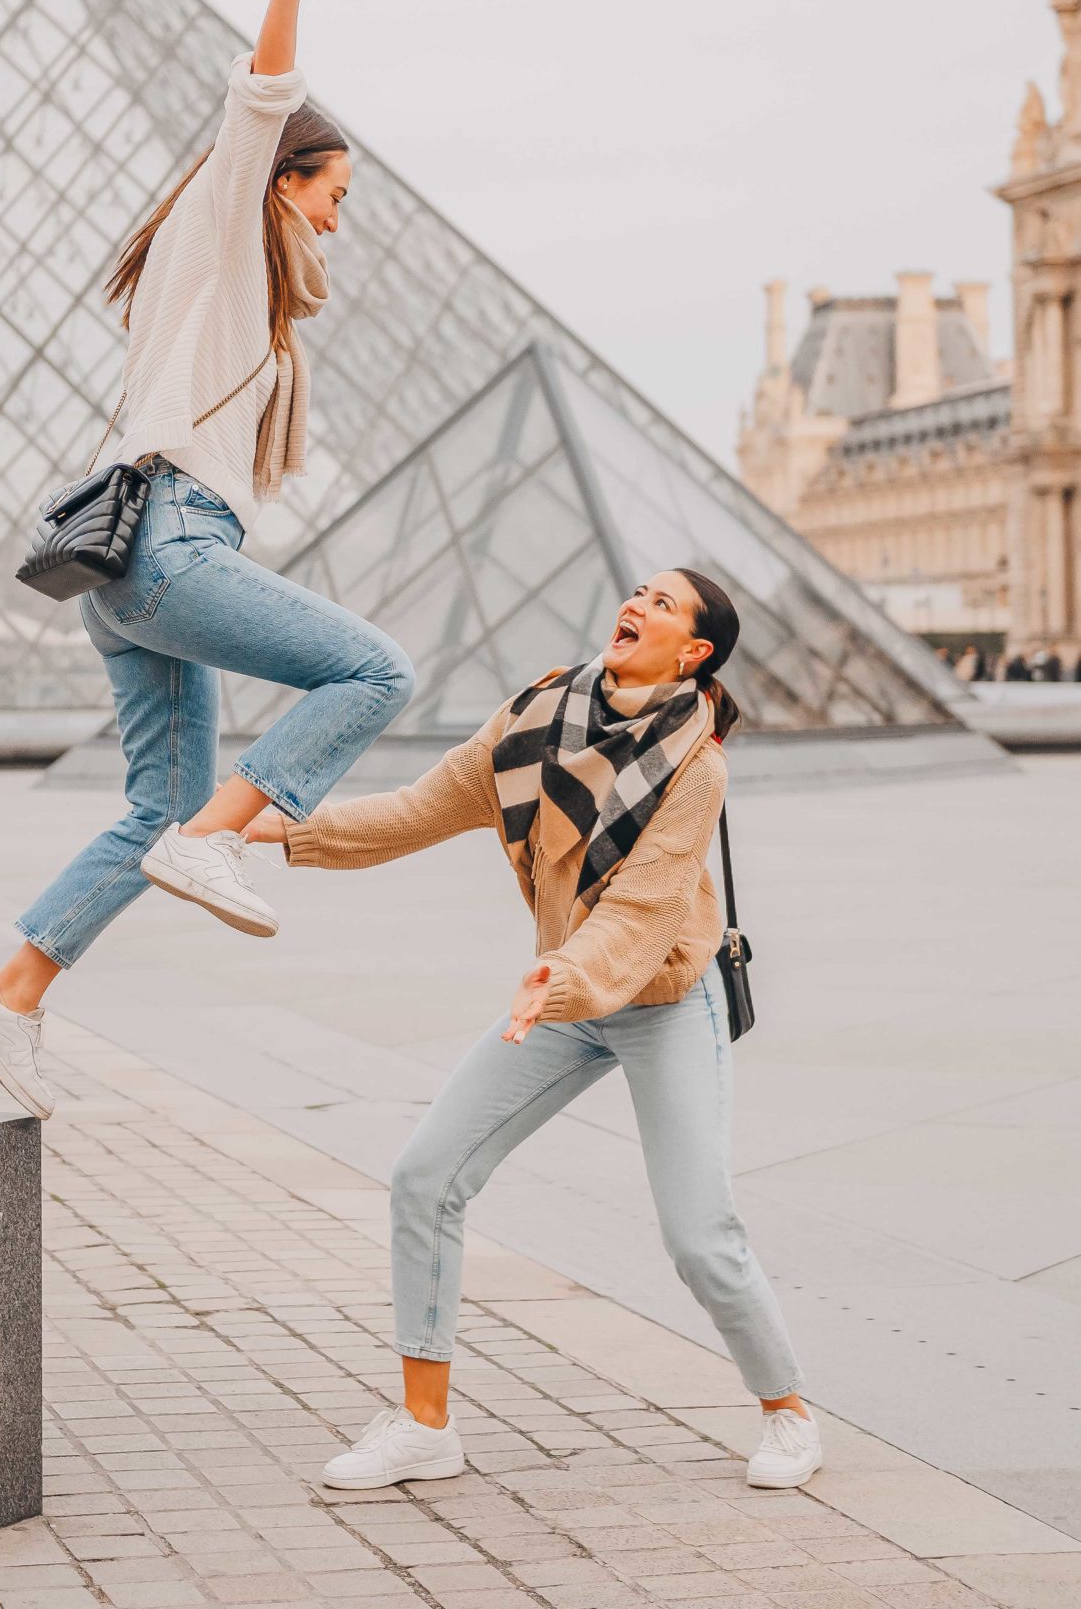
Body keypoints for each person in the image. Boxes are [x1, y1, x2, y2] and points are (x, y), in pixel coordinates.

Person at [0, 0, 415, 1120]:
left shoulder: (225, 285)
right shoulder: (219, 228)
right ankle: (214, 848)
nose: (337, 218)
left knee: (159, 804)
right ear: (280, 179)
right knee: (374, 671)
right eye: (333, 193)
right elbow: (260, 93)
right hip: (168, 547)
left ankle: (8, 994)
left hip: (133, 565)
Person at [246, 569, 822, 1495]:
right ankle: (423, 1428)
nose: (636, 605)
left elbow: (642, 909)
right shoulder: (535, 717)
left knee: (697, 1236)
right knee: (425, 1177)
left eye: (662, 604)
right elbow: (420, 808)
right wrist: (284, 832)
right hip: (558, 995)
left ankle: (787, 1412)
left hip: (660, 999)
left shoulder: (696, 763)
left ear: (693, 652)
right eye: (638, 592)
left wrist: (562, 977)